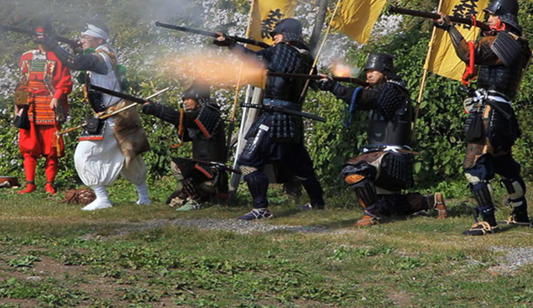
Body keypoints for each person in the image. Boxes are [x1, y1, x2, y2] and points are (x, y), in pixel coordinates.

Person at [435, 0, 531, 235]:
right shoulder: (515, 42)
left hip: (489, 111)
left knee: (474, 166)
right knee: (504, 165)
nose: (487, 17)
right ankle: (520, 214)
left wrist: (450, 28)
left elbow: (470, 53)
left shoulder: (507, 41)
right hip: (500, 111)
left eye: (491, 14)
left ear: (502, 17)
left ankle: (487, 219)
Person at [318, 53, 448, 226]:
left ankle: (371, 214)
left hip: (390, 156)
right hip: (381, 155)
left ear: (385, 71)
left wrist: (336, 87)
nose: (369, 75)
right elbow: (365, 98)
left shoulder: (392, 90)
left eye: (374, 71)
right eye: (367, 72)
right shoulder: (383, 89)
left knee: (352, 170)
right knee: (387, 206)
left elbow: (366, 99)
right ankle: (431, 201)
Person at [214, 18, 325, 220]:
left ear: (287, 35)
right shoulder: (306, 57)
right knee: (300, 164)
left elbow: (254, 59)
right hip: (291, 118)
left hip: (275, 116)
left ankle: (261, 208)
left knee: (247, 162)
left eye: (278, 34)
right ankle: (317, 202)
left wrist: (230, 44)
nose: (274, 37)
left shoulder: (283, 51)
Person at [37, 20, 151, 210]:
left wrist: (53, 46)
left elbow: (76, 63)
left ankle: (103, 199)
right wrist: (76, 48)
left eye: (85, 38)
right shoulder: (104, 53)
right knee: (128, 155)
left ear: (99, 39)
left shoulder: (101, 57)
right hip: (115, 113)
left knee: (84, 155)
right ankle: (144, 198)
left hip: (113, 115)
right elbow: (81, 61)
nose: (82, 40)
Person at [142, 80, 228, 211]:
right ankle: (192, 195)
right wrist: (157, 108)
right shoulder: (201, 114)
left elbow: (185, 119)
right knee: (172, 199)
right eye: (184, 99)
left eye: (189, 99)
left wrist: (157, 110)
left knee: (179, 165)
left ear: (199, 99)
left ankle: (195, 199)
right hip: (203, 168)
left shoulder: (209, 113)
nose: (185, 102)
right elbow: (186, 134)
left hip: (211, 170)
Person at [15, 21, 72, 196]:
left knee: (51, 147)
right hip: (30, 104)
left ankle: (49, 184)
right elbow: (23, 83)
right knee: (29, 145)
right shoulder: (26, 57)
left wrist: (57, 97)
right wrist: (20, 105)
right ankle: (30, 184)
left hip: (49, 104)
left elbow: (65, 81)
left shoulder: (58, 57)